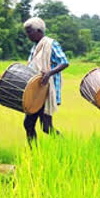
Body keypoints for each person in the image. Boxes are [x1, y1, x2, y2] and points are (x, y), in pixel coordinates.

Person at [23, 17, 69, 145]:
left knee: (46, 127)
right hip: (36, 89)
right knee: (29, 124)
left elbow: (64, 62)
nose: (28, 35)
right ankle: (34, 153)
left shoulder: (51, 44)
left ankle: (66, 145)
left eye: (29, 32)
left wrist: (49, 73)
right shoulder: (35, 47)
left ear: (38, 31)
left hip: (46, 91)